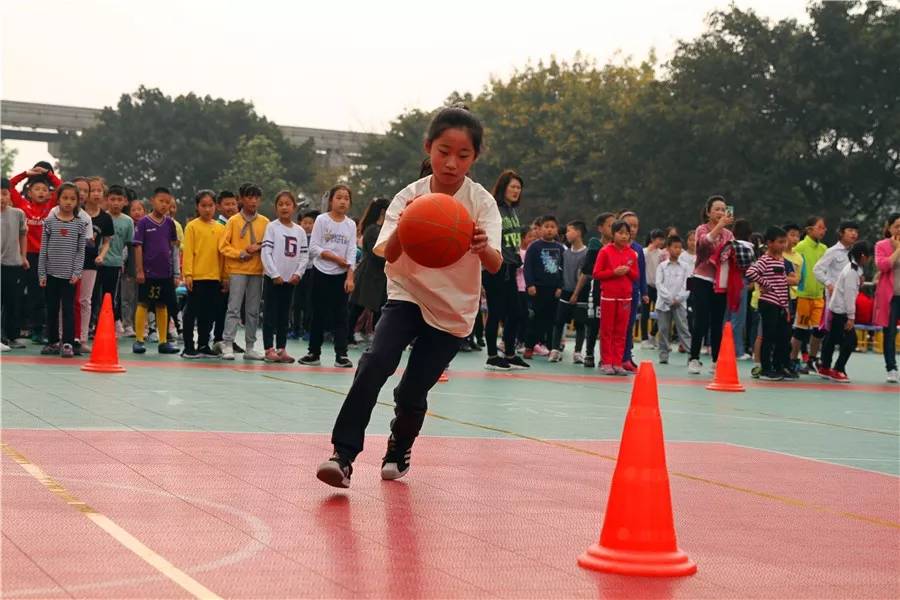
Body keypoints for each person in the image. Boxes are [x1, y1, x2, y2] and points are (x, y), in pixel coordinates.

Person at [316, 105, 502, 488]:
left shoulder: (481, 203)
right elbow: (388, 252)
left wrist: (483, 247)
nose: (451, 162)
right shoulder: (410, 196)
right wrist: (410, 224)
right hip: (408, 292)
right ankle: (343, 455)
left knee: (413, 388)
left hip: (453, 309)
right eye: (443, 151)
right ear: (428, 147)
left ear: (475, 157)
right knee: (375, 362)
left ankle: (399, 446)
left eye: (463, 155)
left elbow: (497, 265)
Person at [298, 185, 357, 368]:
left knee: (341, 315)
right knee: (318, 314)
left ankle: (341, 354)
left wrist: (349, 277)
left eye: (346, 198)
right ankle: (314, 352)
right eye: (339, 197)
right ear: (331, 200)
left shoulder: (351, 224)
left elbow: (352, 251)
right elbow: (314, 248)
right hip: (321, 272)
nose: (342, 201)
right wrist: (333, 257)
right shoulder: (322, 221)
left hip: (340, 276)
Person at [9, 163, 61, 343]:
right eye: (36, 189)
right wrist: (26, 173)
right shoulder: (22, 205)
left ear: (49, 193)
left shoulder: (52, 207)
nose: (40, 192)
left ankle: (38, 330)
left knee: (39, 295)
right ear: (29, 192)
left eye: (44, 189)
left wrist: (48, 174)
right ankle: (11, 333)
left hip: (44, 257)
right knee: (15, 294)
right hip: (22, 256)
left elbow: (63, 188)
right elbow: (8, 185)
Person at [482, 169, 529, 370]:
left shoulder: (512, 211)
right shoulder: (495, 209)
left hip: (511, 267)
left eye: (519, 187)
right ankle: (492, 356)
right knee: (496, 312)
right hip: (496, 268)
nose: (516, 191)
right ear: (503, 187)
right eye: (513, 187)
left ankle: (509, 353)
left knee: (516, 312)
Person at [218, 183, 269, 360]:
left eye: (256, 198)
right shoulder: (233, 221)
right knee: (233, 308)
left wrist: (259, 246)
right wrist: (240, 253)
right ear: (241, 199)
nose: (253, 201)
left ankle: (250, 346)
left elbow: (270, 244)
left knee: (253, 310)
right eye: (249, 197)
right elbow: (223, 246)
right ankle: (228, 343)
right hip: (238, 269)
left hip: (257, 271)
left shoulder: (264, 222)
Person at [38, 183, 87, 358]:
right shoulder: (49, 222)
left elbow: (81, 251)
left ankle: (67, 342)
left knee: (68, 309)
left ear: (77, 202)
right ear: (58, 199)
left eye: (72, 199)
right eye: (65, 198)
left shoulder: (80, 224)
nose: (68, 202)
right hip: (51, 275)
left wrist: (76, 273)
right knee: (51, 308)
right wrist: (42, 273)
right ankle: (52, 341)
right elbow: (43, 249)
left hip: (69, 277)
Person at [687, 196, 734, 375]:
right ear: (708, 212)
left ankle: (716, 359)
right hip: (701, 279)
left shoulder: (729, 235)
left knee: (717, 321)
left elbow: (732, 252)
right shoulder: (702, 229)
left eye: (723, 209)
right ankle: (694, 358)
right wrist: (719, 226)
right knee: (700, 320)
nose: (721, 212)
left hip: (720, 282)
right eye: (717, 209)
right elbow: (705, 243)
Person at [261, 191, 309, 363]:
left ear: (294, 207)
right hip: (274, 279)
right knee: (270, 314)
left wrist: (298, 273)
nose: (284, 207)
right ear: (276, 208)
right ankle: (268, 349)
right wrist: (274, 274)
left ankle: (282, 349)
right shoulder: (272, 227)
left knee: (284, 315)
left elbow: (304, 255)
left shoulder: (300, 231)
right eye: (280, 204)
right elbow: (266, 252)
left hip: (291, 280)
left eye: (288, 204)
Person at [132, 187, 181, 355]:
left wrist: (176, 273)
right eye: (161, 201)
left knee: (162, 305)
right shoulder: (144, 222)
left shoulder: (170, 224)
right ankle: (139, 340)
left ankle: (163, 341)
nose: (164, 205)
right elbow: (138, 247)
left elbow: (174, 249)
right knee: (143, 303)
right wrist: (139, 270)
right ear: (152, 201)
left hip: (165, 273)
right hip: (148, 272)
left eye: (168, 202)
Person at [180, 190, 226, 359]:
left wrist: (224, 276)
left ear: (216, 207)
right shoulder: (192, 226)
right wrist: (188, 274)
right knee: (191, 313)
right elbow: (188, 251)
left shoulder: (221, 228)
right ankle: (188, 347)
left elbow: (223, 255)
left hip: (214, 278)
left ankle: (204, 344)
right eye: (203, 206)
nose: (207, 209)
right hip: (197, 277)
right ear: (197, 207)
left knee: (208, 313)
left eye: (211, 205)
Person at [819, 241, 872, 383]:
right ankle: (838, 369)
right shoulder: (851, 273)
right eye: (869, 256)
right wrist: (851, 317)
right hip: (841, 311)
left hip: (836, 308)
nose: (870, 259)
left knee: (831, 338)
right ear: (862, 256)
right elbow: (849, 297)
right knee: (851, 341)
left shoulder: (853, 268)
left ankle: (825, 367)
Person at [746, 227, 794, 381]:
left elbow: (782, 282)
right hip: (768, 303)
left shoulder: (780, 260)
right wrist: (765, 284)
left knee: (783, 336)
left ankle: (778, 366)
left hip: (781, 304)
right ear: (769, 243)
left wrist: (786, 305)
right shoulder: (765, 260)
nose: (783, 245)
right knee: (768, 336)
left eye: (784, 242)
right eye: (780, 242)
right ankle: (766, 369)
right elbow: (750, 273)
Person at [594, 219, 639, 375]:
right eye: (620, 233)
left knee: (621, 331)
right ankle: (606, 362)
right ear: (613, 234)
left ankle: (618, 362)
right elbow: (597, 273)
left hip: (625, 297)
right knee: (607, 330)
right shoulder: (605, 251)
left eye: (627, 233)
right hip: (608, 297)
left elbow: (636, 276)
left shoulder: (632, 253)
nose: (624, 236)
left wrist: (627, 271)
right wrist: (614, 273)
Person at [572, 212, 615, 368]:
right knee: (593, 323)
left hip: (614, 291)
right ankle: (589, 353)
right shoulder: (595, 244)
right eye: (610, 225)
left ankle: (607, 357)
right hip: (597, 289)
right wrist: (576, 292)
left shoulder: (619, 247)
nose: (614, 229)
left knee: (609, 325)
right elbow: (587, 270)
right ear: (600, 228)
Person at [347, 198, 390, 348]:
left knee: (378, 307)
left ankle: (375, 337)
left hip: (379, 274)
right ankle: (348, 336)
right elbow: (376, 253)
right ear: (384, 211)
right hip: (369, 274)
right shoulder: (373, 230)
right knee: (358, 306)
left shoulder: (383, 229)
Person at [523, 216, 564, 360]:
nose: (549, 229)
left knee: (552, 320)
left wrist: (560, 286)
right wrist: (530, 284)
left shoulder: (560, 248)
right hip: (538, 288)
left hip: (554, 290)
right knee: (535, 318)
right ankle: (529, 347)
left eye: (552, 227)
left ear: (557, 230)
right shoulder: (534, 247)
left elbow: (563, 269)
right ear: (540, 229)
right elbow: (528, 267)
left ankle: (551, 347)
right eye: (546, 226)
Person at [790, 216, 828, 374]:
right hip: (803, 295)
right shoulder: (800, 247)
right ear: (809, 229)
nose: (823, 230)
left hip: (819, 296)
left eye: (824, 227)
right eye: (820, 227)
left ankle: (812, 359)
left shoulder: (825, 249)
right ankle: (792, 359)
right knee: (800, 331)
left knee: (819, 331)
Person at [551, 220, 588, 363]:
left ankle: (578, 352)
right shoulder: (564, 253)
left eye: (569, 231)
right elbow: (560, 272)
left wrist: (576, 293)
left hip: (580, 294)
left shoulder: (586, 253)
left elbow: (584, 276)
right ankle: (555, 350)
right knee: (559, 321)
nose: (566, 234)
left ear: (578, 232)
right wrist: (560, 287)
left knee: (580, 323)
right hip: (565, 292)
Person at [813, 221, 859, 335]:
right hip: (834, 299)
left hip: (849, 299)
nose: (854, 234)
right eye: (850, 231)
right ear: (841, 233)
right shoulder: (832, 251)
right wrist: (828, 284)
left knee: (843, 335)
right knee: (829, 332)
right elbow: (817, 270)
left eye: (856, 231)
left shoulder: (855, 253)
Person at [1, 178, 29, 350]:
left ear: (9, 194)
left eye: (4, 194)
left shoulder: (18, 213)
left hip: (12, 263)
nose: (1, 198)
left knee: (12, 301)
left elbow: (23, 235)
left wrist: (23, 256)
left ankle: (11, 336)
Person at [655, 235, 692, 365]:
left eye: (680, 248)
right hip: (664, 304)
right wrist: (670, 299)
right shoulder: (662, 266)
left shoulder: (686, 267)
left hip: (680, 303)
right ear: (668, 248)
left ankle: (691, 356)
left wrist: (679, 298)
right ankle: (663, 355)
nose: (677, 250)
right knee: (664, 329)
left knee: (683, 329)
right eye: (675, 247)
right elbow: (659, 284)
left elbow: (688, 285)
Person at [618, 211, 647, 372]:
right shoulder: (612, 248)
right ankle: (611, 357)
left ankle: (626, 357)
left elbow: (641, 274)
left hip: (632, 294)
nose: (632, 229)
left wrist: (644, 293)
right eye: (629, 226)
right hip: (615, 294)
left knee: (629, 325)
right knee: (616, 327)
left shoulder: (637, 249)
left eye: (635, 226)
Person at [104, 186, 134, 335]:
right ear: (106, 200)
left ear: (125, 202)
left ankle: (115, 321)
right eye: (112, 199)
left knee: (112, 295)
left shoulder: (128, 221)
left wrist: (126, 265)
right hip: (98, 263)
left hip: (115, 263)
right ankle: (95, 323)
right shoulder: (102, 216)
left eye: (119, 200)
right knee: (97, 296)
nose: (116, 203)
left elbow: (129, 245)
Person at [874, 213, 900, 383]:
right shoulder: (882, 245)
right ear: (889, 228)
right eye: (897, 226)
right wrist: (898, 249)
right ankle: (891, 367)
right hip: (891, 297)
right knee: (889, 332)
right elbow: (882, 265)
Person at [290, 210, 318, 340]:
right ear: (300, 223)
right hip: (297, 272)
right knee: (296, 303)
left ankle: (308, 329)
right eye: (304, 222)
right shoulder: (296, 237)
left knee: (309, 302)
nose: (307, 225)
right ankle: (295, 329)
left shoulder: (317, 239)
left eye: (310, 223)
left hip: (311, 272)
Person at [121, 196, 145, 337]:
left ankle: (139, 325)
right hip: (128, 269)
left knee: (140, 299)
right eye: (133, 210)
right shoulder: (128, 226)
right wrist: (122, 263)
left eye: (139, 209)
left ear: (144, 211)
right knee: (127, 299)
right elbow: (124, 247)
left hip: (142, 269)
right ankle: (127, 324)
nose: (137, 212)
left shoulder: (146, 226)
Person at [640, 228, 666, 349]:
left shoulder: (661, 254)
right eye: (659, 239)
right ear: (652, 239)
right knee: (645, 312)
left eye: (663, 239)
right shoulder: (644, 252)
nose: (661, 241)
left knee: (663, 311)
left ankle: (652, 334)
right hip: (646, 286)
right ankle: (644, 339)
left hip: (658, 287)